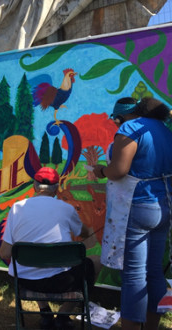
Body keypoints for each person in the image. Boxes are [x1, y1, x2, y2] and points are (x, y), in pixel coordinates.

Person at [93, 97, 172, 330]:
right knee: (155, 271)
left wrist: (100, 170)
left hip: (137, 207)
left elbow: (119, 170)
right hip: (162, 207)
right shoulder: (167, 132)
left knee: (134, 275)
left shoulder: (132, 128)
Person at [0, 167, 94, 330]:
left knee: (34, 263)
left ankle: (44, 311)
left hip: (26, 282)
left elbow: (5, 252)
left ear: (35, 186)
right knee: (96, 261)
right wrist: (90, 232)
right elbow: (86, 234)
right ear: (57, 188)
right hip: (62, 282)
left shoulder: (16, 208)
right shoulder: (66, 208)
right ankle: (63, 316)